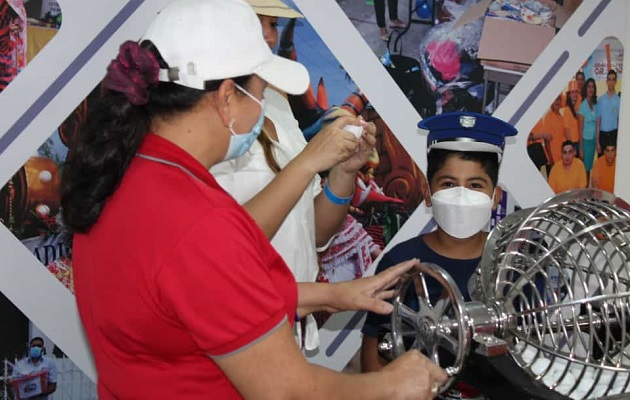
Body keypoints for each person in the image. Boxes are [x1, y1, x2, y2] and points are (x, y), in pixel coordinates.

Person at [60, 0, 447, 398]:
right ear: (227, 98)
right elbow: (288, 392)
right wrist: (394, 384)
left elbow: (195, 295)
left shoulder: (127, 175)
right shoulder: (199, 222)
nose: (263, 103)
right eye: (260, 89)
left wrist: (334, 294)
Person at [211, 0, 376, 351]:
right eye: (261, 23)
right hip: (233, 329)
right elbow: (222, 252)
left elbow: (313, 232)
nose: (270, 36)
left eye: (273, 24)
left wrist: (343, 171)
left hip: (286, 325)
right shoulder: (199, 122)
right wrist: (308, 161)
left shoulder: (277, 101)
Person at [361, 112, 517, 400]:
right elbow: (373, 355)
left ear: (495, 198)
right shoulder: (400, 262)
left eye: (475, 185)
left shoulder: (515, 265)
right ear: (429, 193)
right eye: (448, 184)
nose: (461, 196)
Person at [528, 94, 564, 176]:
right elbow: (546, 140)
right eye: (555, 99)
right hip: (551, 156)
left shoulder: (560, 116)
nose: (557, 102)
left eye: (558, 99)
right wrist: (550, 158)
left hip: (560, 155)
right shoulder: (548, 116)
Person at [577, 77, 599, 175]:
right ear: (585, 89)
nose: (591, 89)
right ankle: (584, 189)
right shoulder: (583, 106)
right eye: (589, 87)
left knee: (589, 167)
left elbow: (597, 123)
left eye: (592, 87)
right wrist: (581, 149)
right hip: (585, 142)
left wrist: (597, 141)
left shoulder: (595, 104)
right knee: (584, 169)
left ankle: (587, 189)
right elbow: (580, 129)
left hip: (593, 141)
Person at [597, 69, 620, 156]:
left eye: (613, 79)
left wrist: (618, 141)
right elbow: (598, 121)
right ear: (606, 81)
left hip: (614, 134)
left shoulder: (619, 100)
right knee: (602, 161)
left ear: (616, 81)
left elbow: (619, 121)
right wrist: (597, 141)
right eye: (609, 79)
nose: (611, 82)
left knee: (613, 162)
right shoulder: (601, 100)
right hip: (603, 135)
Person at [563, 79, 582, 156]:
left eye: (576, 92)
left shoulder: (577, 108)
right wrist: (572, 149)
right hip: (572, 144)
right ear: (569, 94)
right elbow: (567, 132)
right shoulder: (567, 110)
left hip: (578, 142)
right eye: (572, 92)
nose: (575, 94)